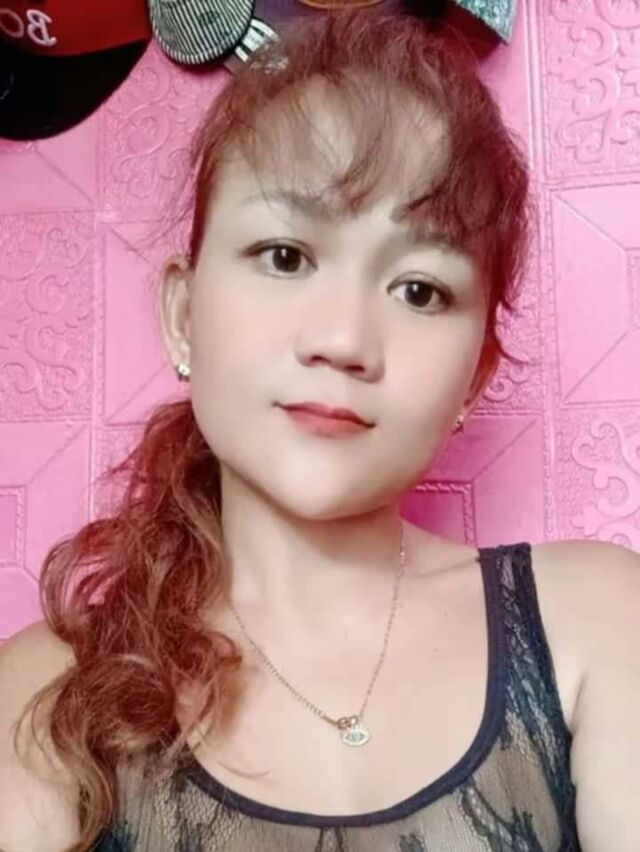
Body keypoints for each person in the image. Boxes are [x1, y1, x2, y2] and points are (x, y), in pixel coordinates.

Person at [0, 7, 638, 852]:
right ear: (184, 316)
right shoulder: (39, 699)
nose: (342, 340)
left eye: (419, 290)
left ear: (475, 376)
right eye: (286, 256)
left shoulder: (595, 625)